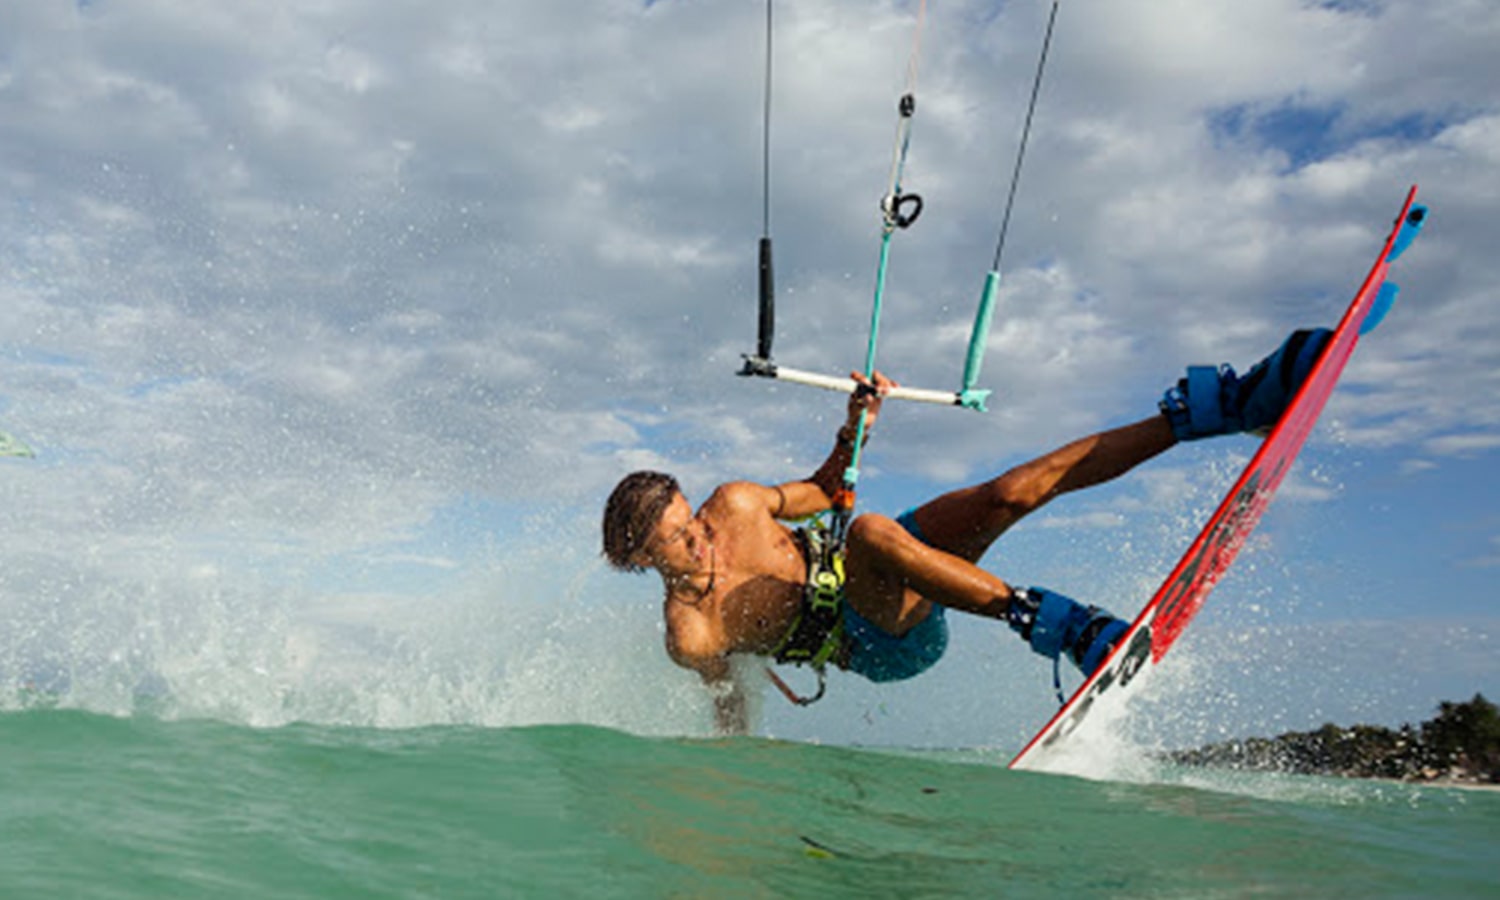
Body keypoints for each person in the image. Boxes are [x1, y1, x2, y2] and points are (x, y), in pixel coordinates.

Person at [602, 328, 1332, 734]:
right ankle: (1067, 628)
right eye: (678, 537)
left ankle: (1214, 411)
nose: (700, 534)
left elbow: (827, 490)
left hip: (889, 561)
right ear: (643, 557)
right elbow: (728, 700)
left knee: (1007, 494)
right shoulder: (689, 633)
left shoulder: (734, 504)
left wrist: (857, 424)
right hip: (882, 644)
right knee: (869, 537)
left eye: (689, 514)